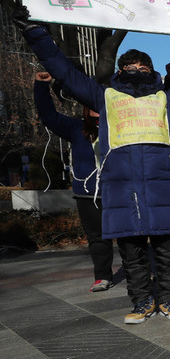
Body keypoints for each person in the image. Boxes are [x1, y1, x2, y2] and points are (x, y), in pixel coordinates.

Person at [14, 4, 170, 324]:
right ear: (120, 70)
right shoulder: (103, 96)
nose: (136, 69)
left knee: (167, 248)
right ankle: (141, 302)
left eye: (142, 65)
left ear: (150, 71)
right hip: (121, 186)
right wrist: (34, 33)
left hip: (162, 183)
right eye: (129, 65)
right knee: (131, 249)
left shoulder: (168, 97)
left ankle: (168, 298)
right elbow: (65, 72)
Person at [33, 72, 117, 293]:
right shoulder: (76, 128)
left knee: (129, 236)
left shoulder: (121, 127)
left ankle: (137, 272)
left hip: (119, 190)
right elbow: (48, 116)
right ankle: (102, 276)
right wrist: (42, 86)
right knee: (97, 238)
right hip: (88, 194)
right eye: (90, 103)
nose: (95, 107)